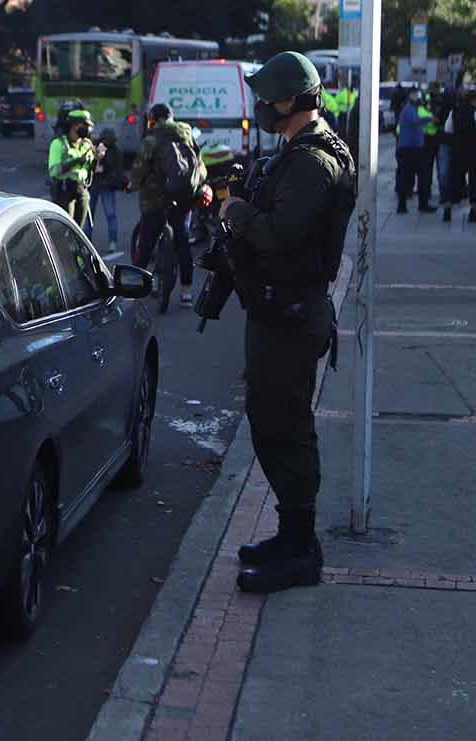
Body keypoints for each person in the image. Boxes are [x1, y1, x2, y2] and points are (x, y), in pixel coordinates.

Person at [219, 52, 355, 595]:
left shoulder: (312, 162)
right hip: (281, 309)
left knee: (286, 424)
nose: (265, 108)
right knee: (272, 418)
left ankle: (301, 549)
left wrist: (236, 212)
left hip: (292, 313)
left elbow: (280, 233)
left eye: (270, 98)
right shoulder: (297, 151)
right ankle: (291, 534)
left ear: (293, 101)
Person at [129, 103, 207, 307]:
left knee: (146, 243)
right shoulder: (186, 135)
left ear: (154, 119)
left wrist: (132, 184)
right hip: (183, 198)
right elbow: (200, 167)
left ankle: (134, 288)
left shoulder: (151, 140)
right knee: (183, 243)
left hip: (154, 200)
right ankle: (186, 292)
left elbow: (139, 170)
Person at [48, 107, 100, 232]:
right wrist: (77, 161)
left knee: (78, 231)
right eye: (85, 125)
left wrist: (97, 158)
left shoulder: (87, 144)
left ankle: (76, 252)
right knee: (65, 229)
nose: (89, 129)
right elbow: (54, 171)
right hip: (64, 191)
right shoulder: (58, 144)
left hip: (82, 190)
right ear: (75, 126)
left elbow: (91, 169)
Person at [443, 89, 476, 223]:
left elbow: (448, 129)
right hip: (474, 152)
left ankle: (447, 209)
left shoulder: (455, 111)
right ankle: (473, 212)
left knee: (454, 180)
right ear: (474, 100)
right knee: (475, 180)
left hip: (457, 151)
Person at [394, 92, 436, 214]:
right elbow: (416, 121)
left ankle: (422, 204)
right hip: (409, 150)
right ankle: (402, 206)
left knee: (421, 177)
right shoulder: (409, 109)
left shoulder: (415, 109)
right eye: (415, 97)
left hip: (415, 148)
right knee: (407, 178)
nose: (418, 99)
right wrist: (430, 118)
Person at [91, 128, 125, 253]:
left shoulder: (116, 152)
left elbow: (117, 171)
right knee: (90, 215)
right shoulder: (99, 148)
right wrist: (98, 158)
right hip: (95, 183)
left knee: (110, 214)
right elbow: (94, 167)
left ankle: (112, 241)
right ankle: (87, 240)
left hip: (106, 185)